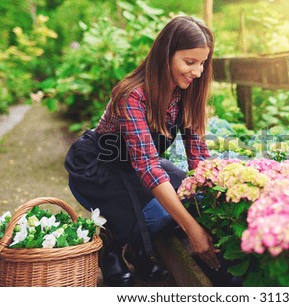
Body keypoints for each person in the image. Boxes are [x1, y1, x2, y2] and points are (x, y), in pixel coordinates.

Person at [65, 15, 220, 287]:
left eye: (203, 63)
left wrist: (216, 198)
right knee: (160, 214)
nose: (197, 72)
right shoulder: (133, 94)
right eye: (190, 62)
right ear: (166, 55)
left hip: (135, 166)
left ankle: (140, 246)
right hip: (100, 167)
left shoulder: (188, 92)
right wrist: (192, 230)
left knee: (187, 193)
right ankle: (110, 244)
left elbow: (199, 158)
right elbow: (148, 168)